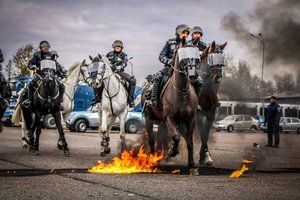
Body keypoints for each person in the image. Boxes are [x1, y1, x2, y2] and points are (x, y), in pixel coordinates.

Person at [148, 24, 190, 108]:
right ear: (178, 33)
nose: (185, 35)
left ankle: (197, 103)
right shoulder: (170, 42)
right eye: (183, 33)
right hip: (170, 67)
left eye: (187, 33)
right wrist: (169, 61)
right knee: (157, 77)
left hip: (185, 69)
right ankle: (153, 100)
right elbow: (161, 56)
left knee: (198, 81)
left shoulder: (189, 44)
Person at [92, 40, 136, 108]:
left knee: (132, 80)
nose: (118, 47)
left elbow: (124, 62)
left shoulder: (124, 55)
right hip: (109, 72)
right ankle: (97, 99)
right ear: (114, 47)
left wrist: (121, 66)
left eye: (119, 47)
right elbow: (104, 61)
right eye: (116, 46)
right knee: (96, 81)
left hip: (119, 72)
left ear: (121, 48)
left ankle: (130, 100)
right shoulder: (109, 54)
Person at [22, 41, 65, 108]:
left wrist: (62, 74)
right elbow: (30, 63)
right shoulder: (37, 55)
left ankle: (60, 102)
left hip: (51, 75)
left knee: (61, 85)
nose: (46, 48)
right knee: (31, 84)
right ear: (41, 48)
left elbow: (56, 65)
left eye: (47, 47)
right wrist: (32, 66)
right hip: (40, 75)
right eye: (44, 47)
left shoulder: (51, 55)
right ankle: (29, 101)